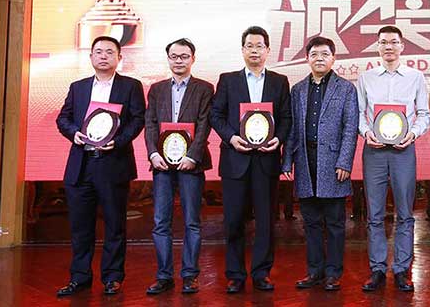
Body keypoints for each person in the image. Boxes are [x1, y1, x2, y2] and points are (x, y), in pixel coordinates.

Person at [55, 36, 146, 296]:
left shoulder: (131, 86)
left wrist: (118, 141)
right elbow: (63, 118)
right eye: (98, 52)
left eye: (109, 52)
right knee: (80, 227)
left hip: (113, 164)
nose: (103, 56)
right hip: (81, 164)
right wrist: (74, 133)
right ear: (91, 57)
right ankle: (80, 277)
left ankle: (112, 277)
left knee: (115, 225)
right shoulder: (78, 87)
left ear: (119, 57)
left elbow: (137, 119)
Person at [211, 26, 292, 293]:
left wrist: (278, 139)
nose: (254, 51)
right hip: (235, 159)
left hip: (266, 161)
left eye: (259, 46)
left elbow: (286, 117)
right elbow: (216, 115)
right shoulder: (228, 80)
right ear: (242, 50)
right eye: (250, 46)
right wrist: (231, 138)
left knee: (266, 221)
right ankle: (235, 274)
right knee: (234, 220)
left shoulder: (279, 81)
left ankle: (261, 273)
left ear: (268, 50)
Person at [356, 25, 430, 292]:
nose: (389, 46)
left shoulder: (415, 77)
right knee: (375, 214)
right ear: (377, 46)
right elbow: (359, 113)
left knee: (405, 213)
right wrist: (366, 133)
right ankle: (377, 269)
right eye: (383, 42)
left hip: (403, 151)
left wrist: (413, 134)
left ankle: (401, 269)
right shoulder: (366, 77)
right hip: (374, 151)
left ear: (402, 46)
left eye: (393, 42)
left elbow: (424, 114)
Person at [282, 36, 359, 292]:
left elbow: (350, 128)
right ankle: (314, 271)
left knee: (335, 223)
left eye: (325, 54)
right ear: (307, 58)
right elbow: (292, 128)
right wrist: (287, 161)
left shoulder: (346, 88)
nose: (319, 58)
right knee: (311, 222)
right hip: (306, 161)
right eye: (314, 54)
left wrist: (344, 162)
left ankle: (333, 273)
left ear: (333, 58)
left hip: (334, 163)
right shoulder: (297, 90)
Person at [144, 38, 214, 295]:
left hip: (191, 165)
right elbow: (150, 123)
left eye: (184, 56)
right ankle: (164, 276)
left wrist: (192, 156)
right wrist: (153, 153)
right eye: (174, 56)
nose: (179, 61)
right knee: (160, 222)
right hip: (161, 164)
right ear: (168, 59)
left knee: (192, 222)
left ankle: (189, 276)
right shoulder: (157, 89)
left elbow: (204, 125)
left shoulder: (204, 88)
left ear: (193, 59)